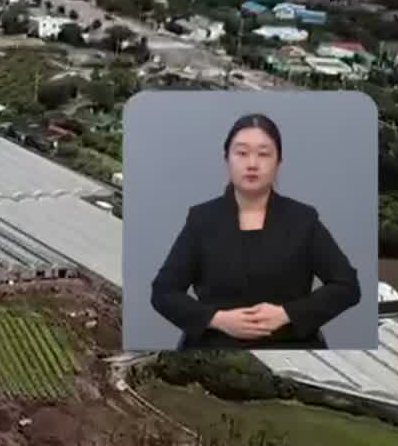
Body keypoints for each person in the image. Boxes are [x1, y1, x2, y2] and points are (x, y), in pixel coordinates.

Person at [149, 113, 360, 349]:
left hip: (291, 347)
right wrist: (217, 319)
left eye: (263, 154)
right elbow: (163, 292)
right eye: (241, 153)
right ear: (227, 159)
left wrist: (287, 314)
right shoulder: (202, 219)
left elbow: (347, 286)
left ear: (278, 162)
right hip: (214, 348)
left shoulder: (303, 219)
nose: (252, 164)